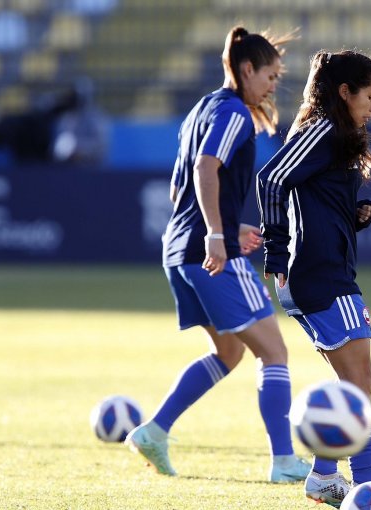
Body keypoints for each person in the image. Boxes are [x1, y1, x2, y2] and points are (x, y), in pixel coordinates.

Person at [125, 25, 311, 484]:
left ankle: (154, 430)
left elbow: (178, 187)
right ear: (247, 69)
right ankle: (285, 462)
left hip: (178, 249)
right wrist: (216, 234)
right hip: (211, 253)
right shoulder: (235, 115)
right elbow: (206, 169)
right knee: (275, 353)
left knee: (228, 351)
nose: (274, 84)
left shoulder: (201, 109)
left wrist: (227, 224)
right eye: (270, 74)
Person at [257, 50, 371, 507]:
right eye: (369, 95)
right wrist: (276, 247)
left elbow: (310, 197)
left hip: (314, 273)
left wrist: (352, 214)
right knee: (359, 382)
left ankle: (326, 475)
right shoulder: (326, 130)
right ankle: (366, 484)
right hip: (321, 273)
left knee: (350, 379)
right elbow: (270, 179)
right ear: (344, 92)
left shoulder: (329, 132)